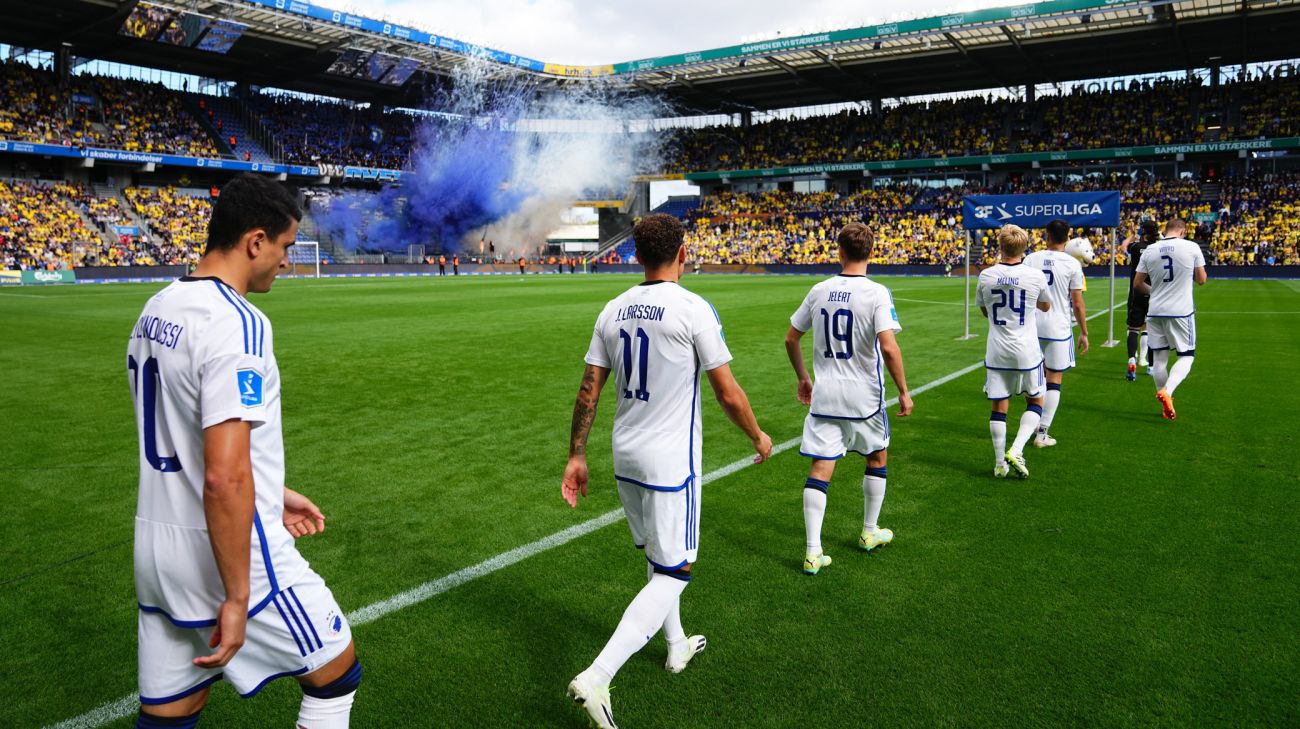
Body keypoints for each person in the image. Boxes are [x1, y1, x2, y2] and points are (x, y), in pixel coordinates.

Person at [126, 174, 360, 729]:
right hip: (232, 556)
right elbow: (223, 478)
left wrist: (271, 490)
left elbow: (185, 441)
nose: (286, 261)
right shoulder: (239, 324)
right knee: (336, 671)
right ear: (256, 241)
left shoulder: (156, 308)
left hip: (157, 551)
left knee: (169, 714)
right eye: (283, 248)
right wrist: (235, 596)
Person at [561, 213, 773, 729]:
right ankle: (598, 676)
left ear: (635, 256)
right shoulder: (693, 308)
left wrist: (577, 454)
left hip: (623, 455)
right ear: (682, 254)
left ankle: (677, 644)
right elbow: (726, 390)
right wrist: (758, 434)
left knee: (659, 560)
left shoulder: (613, 309)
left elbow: (589, 389)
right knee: (677, 570)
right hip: (670, 459)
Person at [783, 222, 912, 576]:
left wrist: (803, 379)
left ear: (839, 251)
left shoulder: (819, 290)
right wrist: (903, 390)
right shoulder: (877, 293)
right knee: (877, 457)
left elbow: (791, 339)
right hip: (864, 398)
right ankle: (869, 532)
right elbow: (888, 345)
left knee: (821, 467)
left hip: (825, 396)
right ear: (871, 252)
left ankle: (813, 552)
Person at [976, 224, 1051, 478]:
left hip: (997, 350)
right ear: (1024, 248)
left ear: (1000, 246)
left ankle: (999, 464)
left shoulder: (986, 275)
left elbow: (985, 310)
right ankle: (1017, 449)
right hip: (1027, 350)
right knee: (1036, 399)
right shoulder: (1035, 276)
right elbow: (1046, 306)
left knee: (999, 406)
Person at [1022, 220, 1088, 448]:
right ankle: (1042, 433)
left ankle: (1031, 424)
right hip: (1058, 328)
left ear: (1046, 235)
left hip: (1031, 326)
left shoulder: (1031, 258)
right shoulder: (1072, 264)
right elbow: (1077, 303)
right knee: (1054, 380)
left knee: (1034, 379)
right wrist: (1084, 333)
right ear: (1068, 239)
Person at [1133, 219, 1207, 419]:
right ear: (1182, 231)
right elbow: (1201, 279)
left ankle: (1166, 405)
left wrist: (1155, 292)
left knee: (1159, 360)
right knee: (1186, 356)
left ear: (1166, 231)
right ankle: (1168, 391)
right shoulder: (1191, 247)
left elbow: (1137, 284)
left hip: (1155, 310)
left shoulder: (1150, 250)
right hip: (1181, 311)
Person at [1119, 220, 1160, 380]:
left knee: (1133, 329)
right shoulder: (1158, 249)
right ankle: (1150, 366)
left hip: (1136, 292)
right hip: (1154, 292)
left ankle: (1132, 360)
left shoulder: (1136, 248)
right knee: (1150, 330)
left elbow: (1123, 247)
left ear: (1143, 232)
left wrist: (1133, 234)